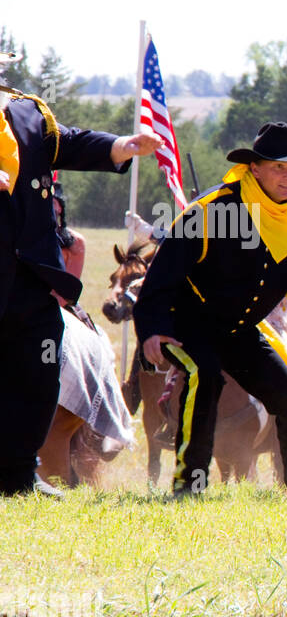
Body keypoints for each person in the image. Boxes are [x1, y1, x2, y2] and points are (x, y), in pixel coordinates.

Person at [132, 122, 287, 497]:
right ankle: (187, 486)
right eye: (279, 167)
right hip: (186, 322)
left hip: (239, 331)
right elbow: (161, 278)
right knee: (206, 374)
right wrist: (151, 330)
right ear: (254, 169)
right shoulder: (211, 211)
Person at [1, 59, 161, 496]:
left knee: (38, 373)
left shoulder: (26, 111)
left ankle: (17, 477)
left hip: (31, 275)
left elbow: (68, 143)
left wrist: (122, 145)